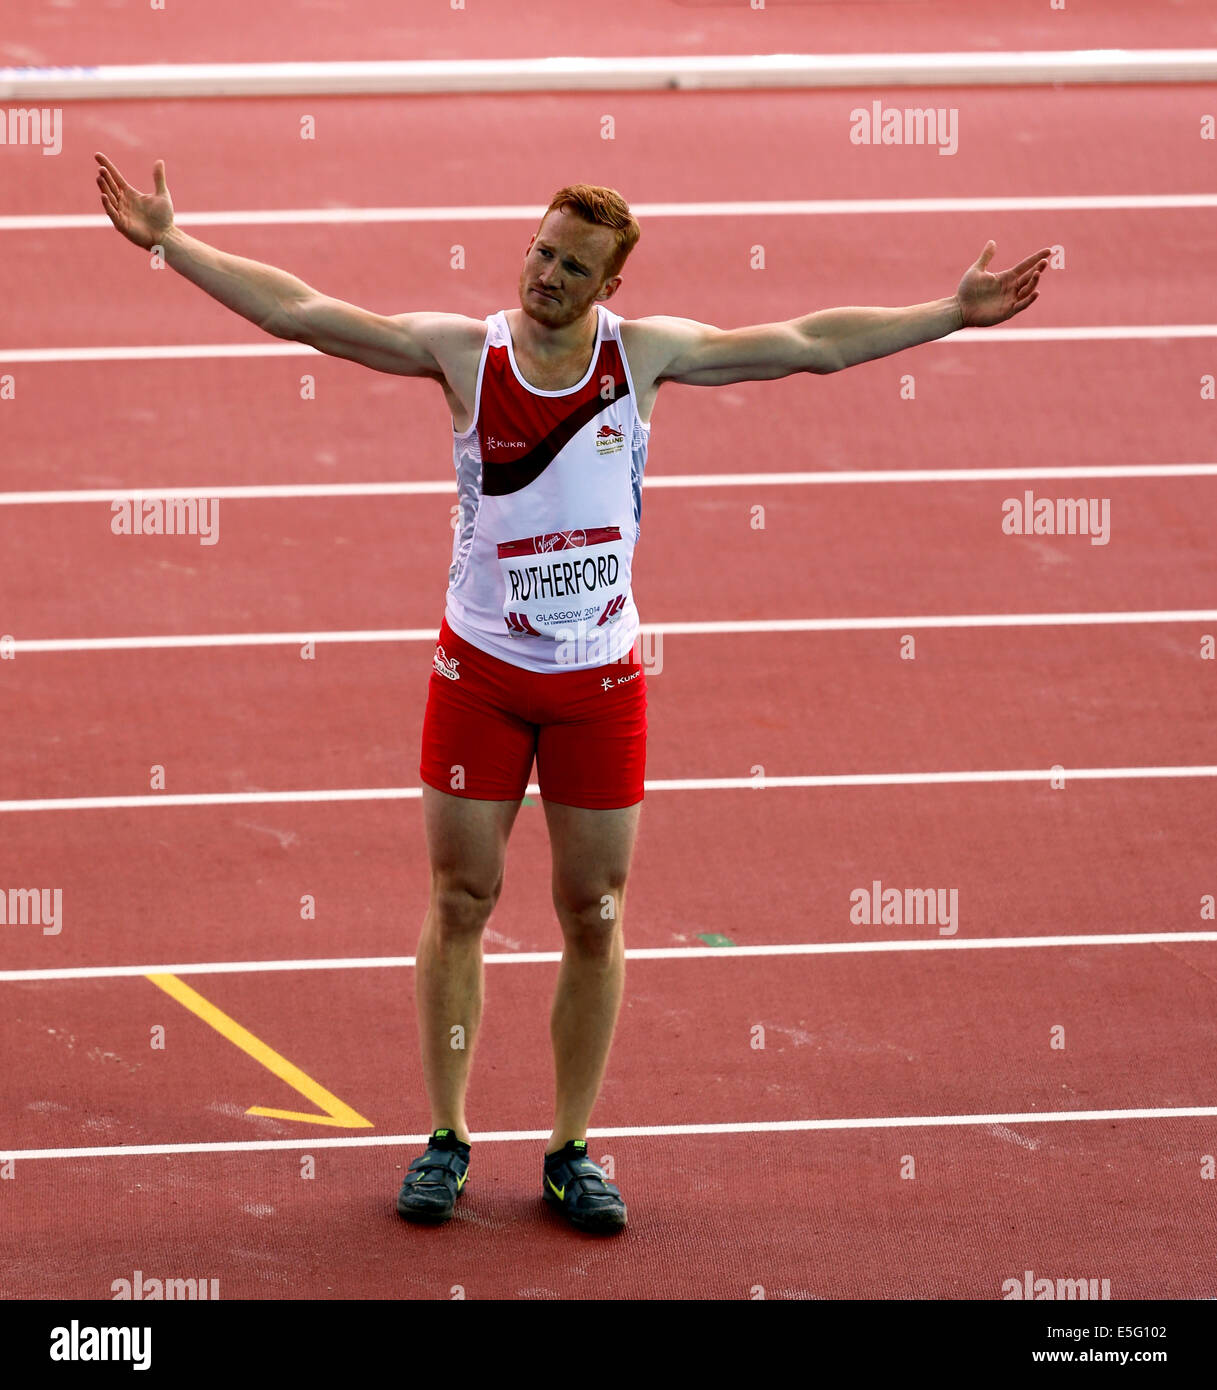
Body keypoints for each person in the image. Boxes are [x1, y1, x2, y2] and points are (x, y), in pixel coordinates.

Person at [95, 151, 1049, 1235]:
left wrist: (950, 314)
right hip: (479, 677)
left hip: (598, 682)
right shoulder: (467, 354)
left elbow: (808, 346)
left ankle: (568, 1148)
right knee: (461, 901)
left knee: (591, 917)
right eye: (541, 249)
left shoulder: (641, 360)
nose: (544, 273)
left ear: (610, 287)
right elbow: (303, 313)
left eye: (571, 265)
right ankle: (446, 1138)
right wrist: (171, 243)